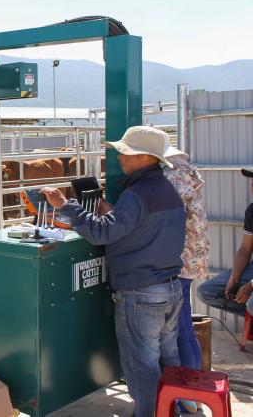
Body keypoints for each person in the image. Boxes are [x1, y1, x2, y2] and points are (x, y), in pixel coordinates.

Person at [41, 126, 186, 417]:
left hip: (141, 293)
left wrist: (66, 205)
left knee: (141, 368)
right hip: (170, 288)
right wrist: (114, 213)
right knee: (168, 362)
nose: (119, 156)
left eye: (124, 151)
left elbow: (100, 235)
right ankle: (172, 411)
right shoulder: (166, 189)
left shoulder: (137, 194)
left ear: (143, 157)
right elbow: (146, 229)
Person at [161, 133, 209, 414]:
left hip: (177, 259)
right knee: (185, 328)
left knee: (180, 330)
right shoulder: (189, 173)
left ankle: (187, 395)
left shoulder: (172, 180)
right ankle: (193, 393)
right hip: (190, 258)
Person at [196, 169, 253, 320]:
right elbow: (246, 248)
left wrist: (252, 285)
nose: (252, 184)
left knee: (252, 303)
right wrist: (234, 278)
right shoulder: (252, 210)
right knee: (206, 292)